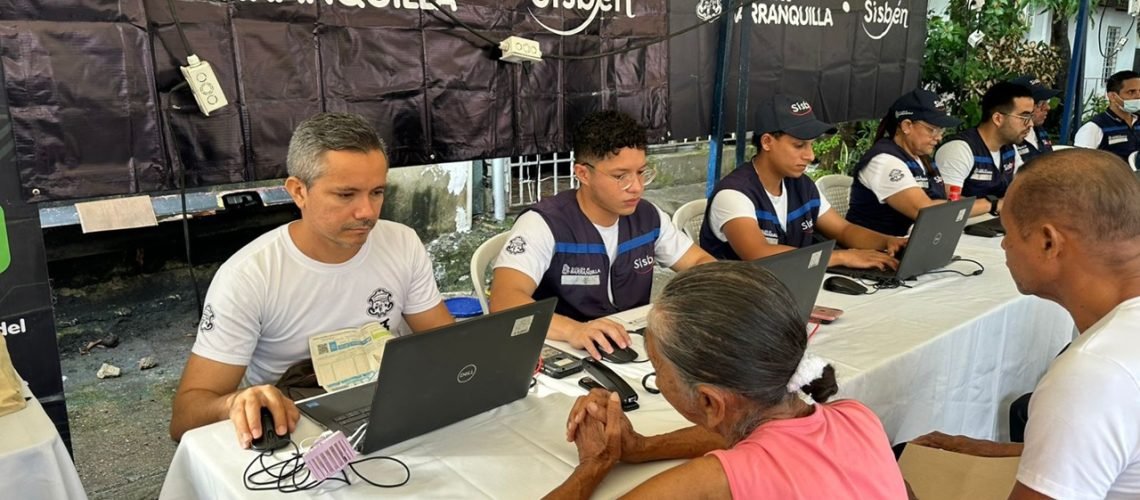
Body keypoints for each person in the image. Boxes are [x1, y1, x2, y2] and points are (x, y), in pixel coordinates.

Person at [169, 113, 454, 447]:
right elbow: (185, 417)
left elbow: (445, 343)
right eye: (346, 195)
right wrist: (234, 403)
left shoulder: (401, 242)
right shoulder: (250, 276)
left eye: (377, 192)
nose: (367, 211)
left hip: (389, 412)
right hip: (296, 435)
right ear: (298, 191)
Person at [546, 262, 908, 499]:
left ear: (709, 403)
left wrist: (592, 465)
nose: (657, 378)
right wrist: (639, 448)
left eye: (657, 372)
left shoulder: (717, 480)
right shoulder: (858, 416)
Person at [911, 148, 1140, 499]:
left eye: (1010, 232)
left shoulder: (1093, 373)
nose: (1004, 244)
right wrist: (1023, 453)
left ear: (1049, 242)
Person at [490, 110, 714, 360]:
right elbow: (503, 300)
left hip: (628, 346)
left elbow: (699, 263)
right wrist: (573, 329)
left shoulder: (648, 217)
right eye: (621, 177)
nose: (636, 187)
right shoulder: (545, 223)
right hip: (561, 353)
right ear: (583, 174)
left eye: (641, 172)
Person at [699, 94, 905, 269]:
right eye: (799, 145)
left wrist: (887, 241)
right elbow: (758, 254)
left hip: (789, 289)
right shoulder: (734, 194)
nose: (810, 155)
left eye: (811, 145)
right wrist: (841, 257)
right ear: (767, 142)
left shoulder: (802, 185)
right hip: (740, 304)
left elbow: (844, 230)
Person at [846, 89, 993, 237]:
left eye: (941, 130)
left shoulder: (920, 157)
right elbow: (925, 211)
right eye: (932, 130)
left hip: (918, 243)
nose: (939, 138)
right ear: (906, 126)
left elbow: (943, 202)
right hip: (876, 250)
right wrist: (991, 204)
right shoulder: (884, 161)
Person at [934, 81, 1033, 204]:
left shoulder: (1009, 149)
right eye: (1024, 118)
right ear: (998, 119)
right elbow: (949, 204)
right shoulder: (959, 149)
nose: (1030, 124)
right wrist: (995, 205)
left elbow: (1026, 187)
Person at [1075, 70, 1140, 165]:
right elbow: (1079, 165)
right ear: (1113, 96)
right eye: (1131, 92)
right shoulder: (1094, 128)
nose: (1138, 96)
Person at [1009, 75, 1060, 163]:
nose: (1047, 107)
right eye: (1041, 103)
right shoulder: (1006, 140)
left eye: (1047, 101)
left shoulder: (1039, 130)